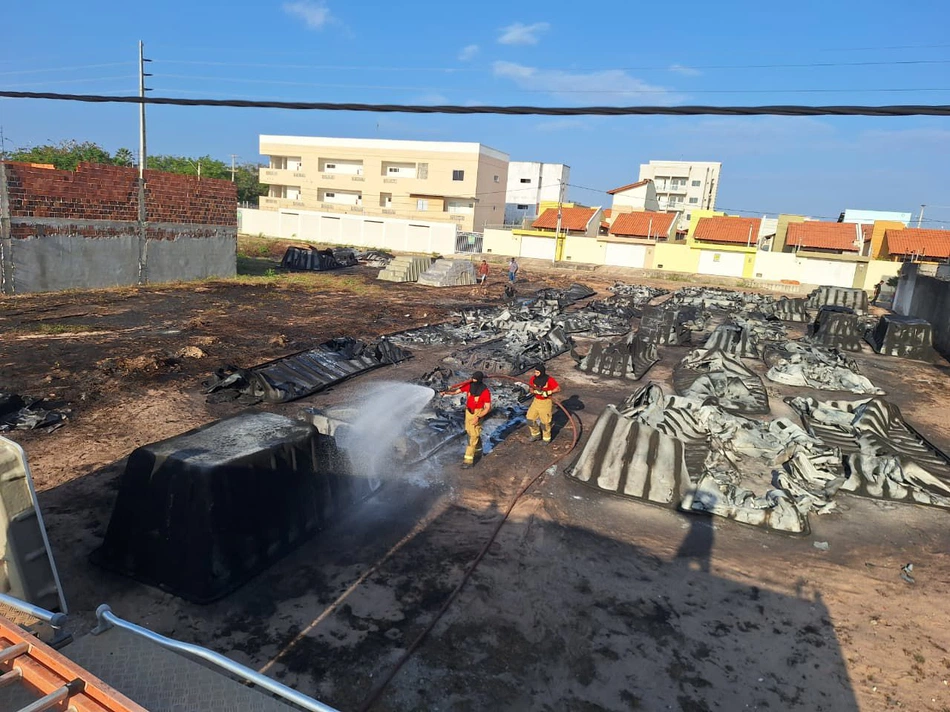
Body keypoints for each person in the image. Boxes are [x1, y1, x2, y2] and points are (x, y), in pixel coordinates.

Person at [441, 371, 492, 468]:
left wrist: (478, 417)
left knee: (473, 436)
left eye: (475, 380)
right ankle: (478, 451)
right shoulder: (469, 386)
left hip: (477, 413)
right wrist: (446, 393)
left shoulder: (485, 392)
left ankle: (468, 461)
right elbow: (456, 392)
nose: (473, 381)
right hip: (468, 412)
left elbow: (487, 407)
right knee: (470, 432)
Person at [525, 364, 561, 444]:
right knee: (530, 419)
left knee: (545, 423)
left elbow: (558, 389)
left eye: (537, 372)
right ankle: (535, 434)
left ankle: (546, 439)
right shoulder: (533, 379)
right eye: (535, 372)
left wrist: (548, 392)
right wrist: (535, 391)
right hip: (536, 401)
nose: (536, 374)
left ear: (542, 372)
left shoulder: (549, 380)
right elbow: (531, 389)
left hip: (546, 402)